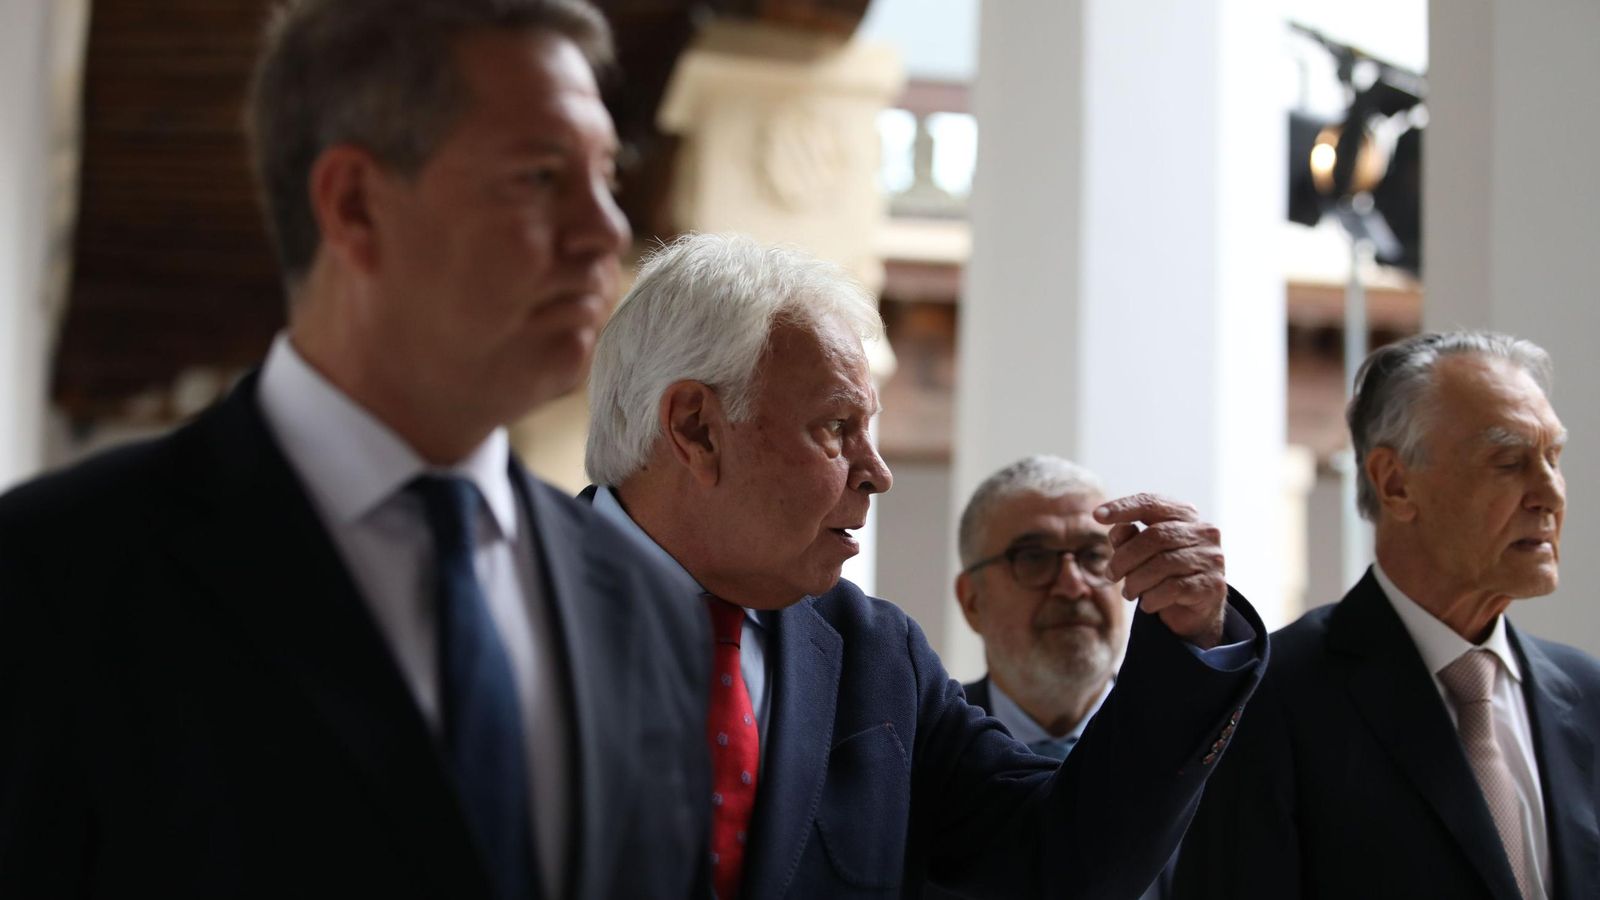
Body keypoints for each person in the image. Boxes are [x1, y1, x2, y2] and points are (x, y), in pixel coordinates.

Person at [0, 2, 709, 897]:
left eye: (608, 175)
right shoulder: (53, 581)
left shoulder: (646, 607)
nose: (606, 230)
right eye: (539, 177)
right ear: (354, 205)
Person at [582, 232, 1268, 899]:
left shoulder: (876, 656)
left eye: (869, 432)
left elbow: (1061, 860)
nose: (876, 473)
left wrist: (1187, 642)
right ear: (697, 428)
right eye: (835, 428)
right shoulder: (504, 603)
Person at [1174, 331, 1600, 900]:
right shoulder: (1271, 704)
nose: (1549, 493)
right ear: (1395, 484)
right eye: (1509, 462)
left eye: (1553, 458)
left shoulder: (1587, 695)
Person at [942, 454, 1169, 900]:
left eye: (1093, 556)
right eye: (1033, 557)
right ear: (972, 601)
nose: (1072, 585)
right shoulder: (921, 755)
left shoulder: (1188, 748)